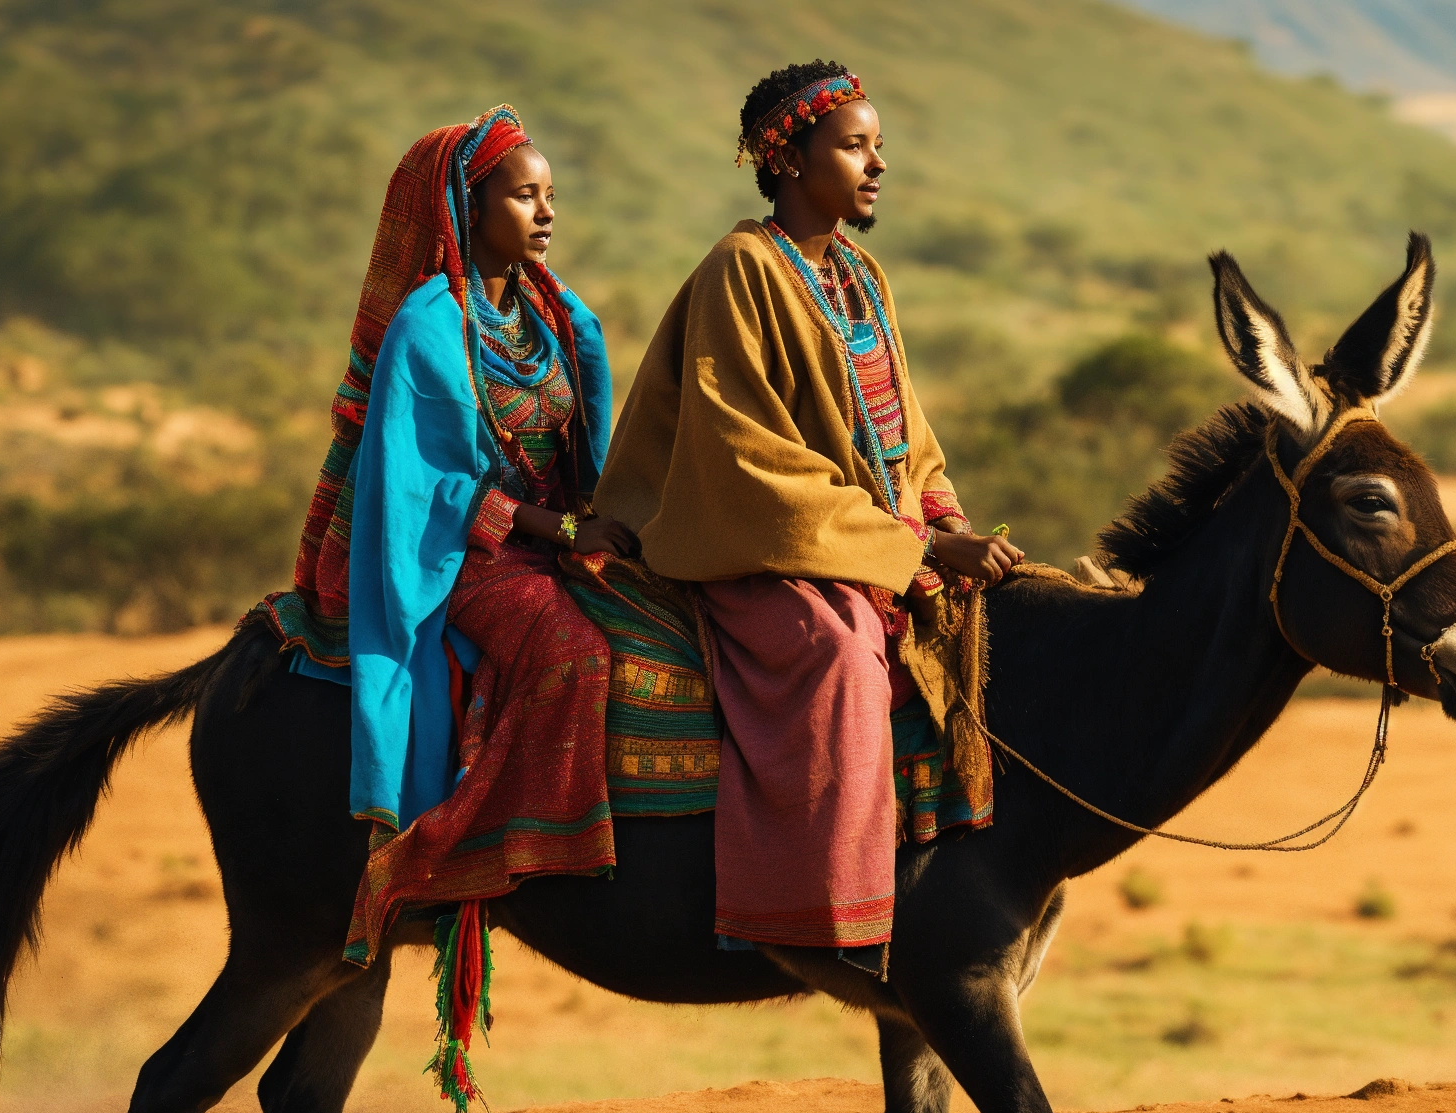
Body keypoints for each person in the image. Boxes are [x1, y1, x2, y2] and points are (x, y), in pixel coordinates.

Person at [592, 62, 1021, 961]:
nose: (878, 164)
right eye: (856, 146)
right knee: (838, 656)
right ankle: (813, 914)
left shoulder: (861, 274)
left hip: (866, 537)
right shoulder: (739, 270)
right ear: (788, 159)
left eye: (878, 146)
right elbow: (744, 459)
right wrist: (913, 548)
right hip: (761, 543)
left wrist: (942, 522)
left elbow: (906, 429)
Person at [259, 107, 634, 973]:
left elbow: (584, 450)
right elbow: (426, 490)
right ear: (470, 207)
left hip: (561, 540)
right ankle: (468, 845)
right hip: (469, 557)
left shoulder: (553, 317)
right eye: (524, 196)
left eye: (550, 195)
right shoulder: (428, 327)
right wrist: (556, 528)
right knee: (575, 651)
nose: (546, 212)